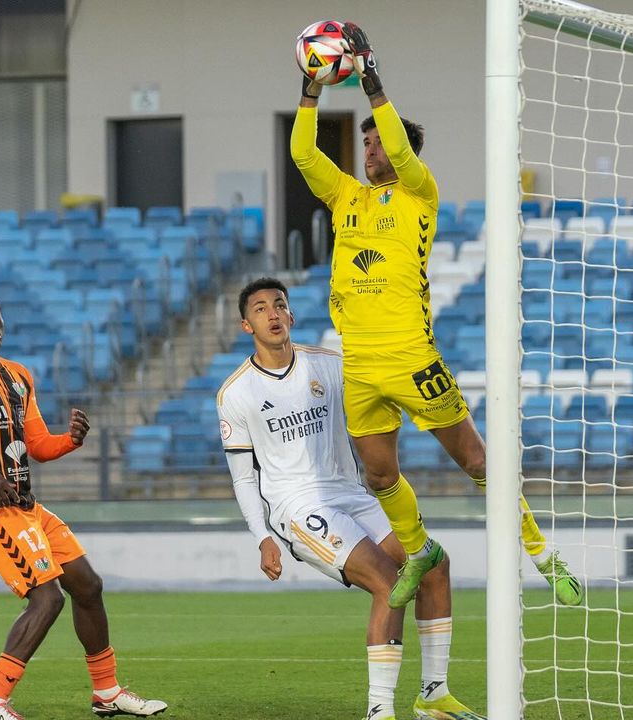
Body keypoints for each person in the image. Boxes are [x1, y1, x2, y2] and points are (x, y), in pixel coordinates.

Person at [290, 22, 583, 609]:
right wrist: (311, 89)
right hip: (362, 363)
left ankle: (541, 553)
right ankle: (418, 547)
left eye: (375, 144)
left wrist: (371, 80)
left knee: (476, 459)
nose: (370, 150)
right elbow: (302, 152)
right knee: (378, 477)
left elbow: (399, 148)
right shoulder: (346, 195)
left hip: (411, 356)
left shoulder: (421, 192)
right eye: (366, 145)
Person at [218, 277, 484, 720]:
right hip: (297, 508)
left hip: (350, 493)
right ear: (247, 325)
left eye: (279, 305)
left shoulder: (329, 363)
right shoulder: (236, 393)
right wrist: (261, 535)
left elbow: (380, 385)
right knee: (390, 582)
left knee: (434, 565)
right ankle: (379, 712)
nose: (272, 314)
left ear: (291, 315)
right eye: (261, 309)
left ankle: (433, 697)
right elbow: (244, 478)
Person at [0, 291, 167, 720]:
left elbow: (38, 446)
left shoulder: (18, 376)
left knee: (87, 586)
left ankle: (107, 692)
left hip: (26, 506)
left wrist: (70, 440)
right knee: (47, 599)